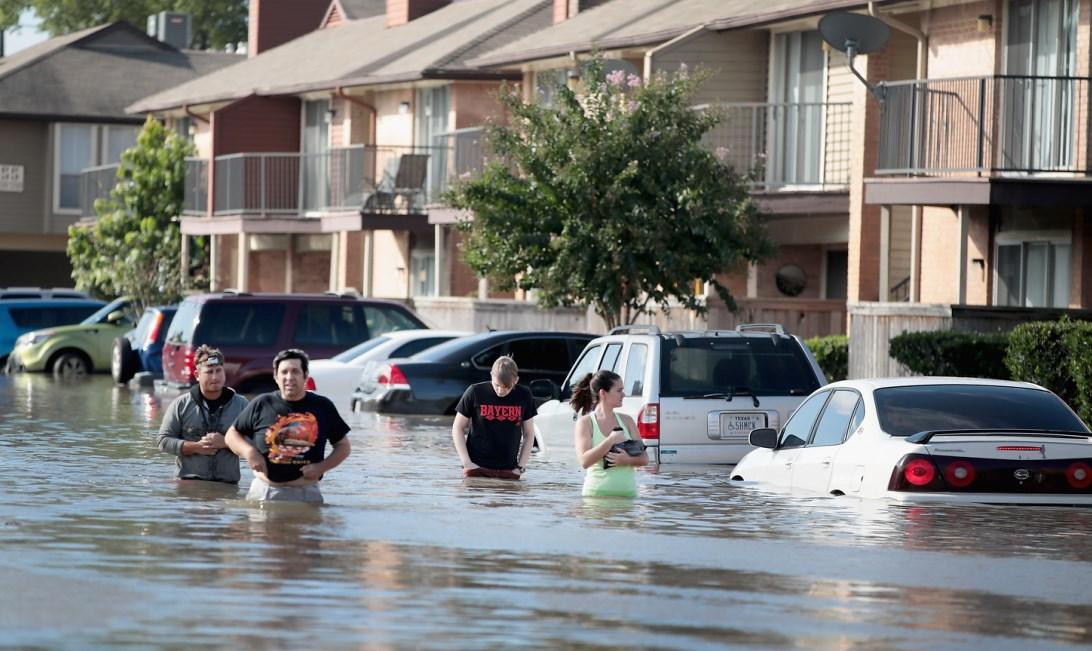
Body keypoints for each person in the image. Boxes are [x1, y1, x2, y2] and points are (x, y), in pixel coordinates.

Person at [225, 349, 351, 504]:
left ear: (305, 376)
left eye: (295, 372)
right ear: (276, 377)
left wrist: (321, 468)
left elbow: (343, 446)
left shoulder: (323, 406)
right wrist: (249, 452)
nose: (289, 377)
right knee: (257, 529)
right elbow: (232, 434)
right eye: (284, 372)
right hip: (264, 491)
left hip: (306, 493)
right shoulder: (262, 403)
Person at [156, 345, 249, 483]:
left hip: (227, 487)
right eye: (209, 372)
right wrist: (196, 447)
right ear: (197, 375)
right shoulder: (181, 405)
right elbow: (163, 441)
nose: (215, 376)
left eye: (219, 371)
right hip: (189, 485)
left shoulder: (242, 405)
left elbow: (258, 441)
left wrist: (226, 442)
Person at [451, 356, 536, 479]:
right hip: (476, 467)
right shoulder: (475, 392)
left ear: (516, 380)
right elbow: (457, 427)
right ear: (491, 375)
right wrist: (466, 463)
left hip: (509, 470)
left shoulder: (524, 395)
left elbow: (529, 434)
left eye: (507, 387)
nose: (501, 390)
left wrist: (520, 467)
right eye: (497, 385)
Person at [572, 370, 649, 497]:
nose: (623, 394)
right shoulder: (586, 423)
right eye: (619, 390)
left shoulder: (627, 421)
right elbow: (584, 461)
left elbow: (645, 459)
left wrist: (626, 460)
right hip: (596, 498)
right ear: (603, 393)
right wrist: (610, 440)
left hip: (627, 496)